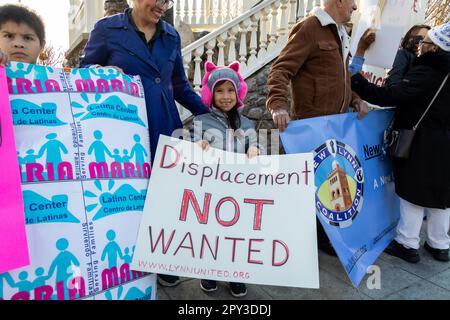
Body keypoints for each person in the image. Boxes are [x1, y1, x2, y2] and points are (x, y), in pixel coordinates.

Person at [80, 0, 210, 287]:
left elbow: (179, 85)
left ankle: (162, 259)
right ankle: (128, 258)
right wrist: (102, 72)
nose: (164, 5)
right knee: (130, 193)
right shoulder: (106, 30)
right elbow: (85, 71)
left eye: (168, 0)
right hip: (123, 128)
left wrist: (211, 117)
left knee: (167, 194)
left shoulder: (171, 35)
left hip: (166, 124)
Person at [266, 0, 368, 256]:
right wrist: (278, 104)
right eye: (353, 2)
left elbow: (340, 79)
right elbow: (280, 70)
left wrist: (355, 99)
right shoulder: (310, 27)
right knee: (300, 190)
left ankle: (322, 238)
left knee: (324, 186)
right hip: (309, 129)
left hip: (333, 128)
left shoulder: (339, 32)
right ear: (340, 1)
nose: (355, 7)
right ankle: (286, 246)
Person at [351, 22, 450, 263]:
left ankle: (407, 242)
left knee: (413, 190)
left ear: (435, 47)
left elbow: (391, 96)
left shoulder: (427, 71)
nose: (420, 46)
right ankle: (439, 244)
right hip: (446, 142)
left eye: (425, 42)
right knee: (441, 193)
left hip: (422, 142)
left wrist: (357, 80)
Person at [190, 61, 261, 297]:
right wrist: (196, 145)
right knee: (211, 234)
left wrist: (255, 149)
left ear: (238, 92)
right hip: (211, 189)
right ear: (210, 94)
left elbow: (255, 143)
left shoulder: (247, 123)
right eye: (219, 91)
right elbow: (190, 145)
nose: (226, 96)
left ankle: (235, 274)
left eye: (230, 90)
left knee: (236, 235)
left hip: (239, 189)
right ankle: (209, 272)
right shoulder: (201, 121)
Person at [349, 25, 431, 87]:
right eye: (421, 38)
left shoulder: (429, 65)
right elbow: (393, 86)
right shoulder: (404, 55)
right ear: (411, 38)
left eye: (428, 39)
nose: (424, 42)